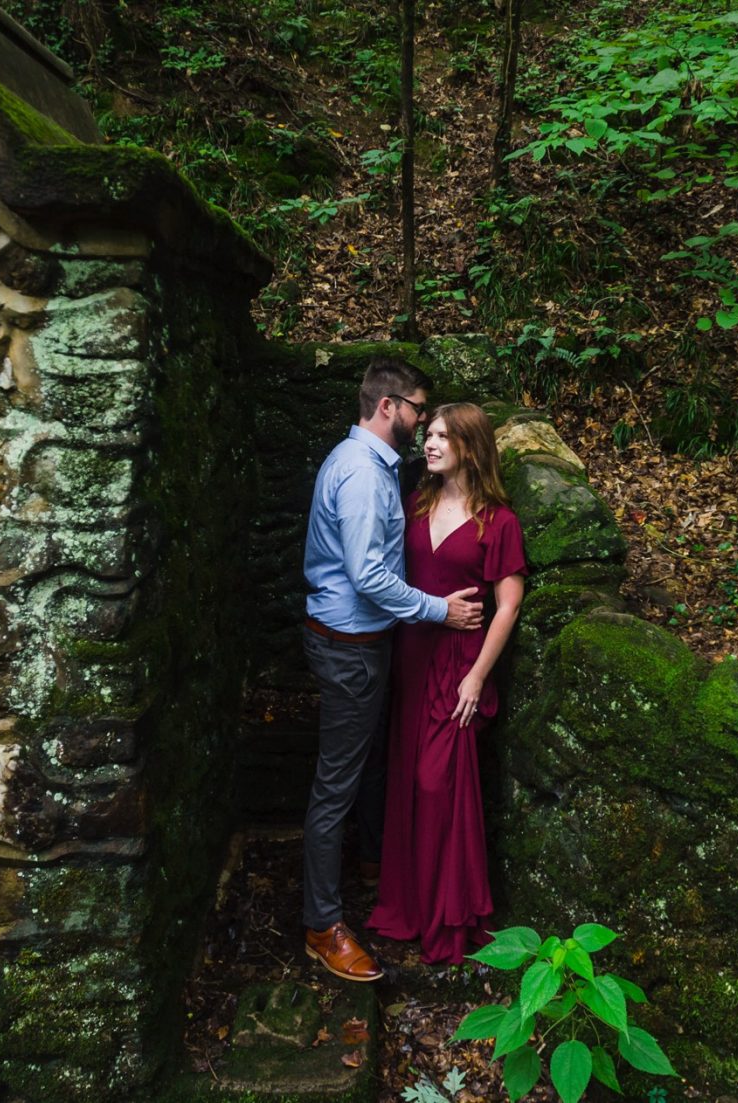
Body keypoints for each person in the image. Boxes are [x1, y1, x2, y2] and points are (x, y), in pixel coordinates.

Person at [301, 359, 483, 983]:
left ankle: (380, 868)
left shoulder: (381, 469)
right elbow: (367, 576)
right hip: (348, 649)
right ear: (389, 408)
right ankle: (322, 925)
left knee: (371, 763)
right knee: (337, 784)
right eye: (417, 410)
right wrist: (441, 610)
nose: (422, 421)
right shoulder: (360, 475)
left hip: (366, 645)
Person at [366, 402, 526, 964]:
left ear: (470, 446)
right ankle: (407, 909)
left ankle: (449, 917)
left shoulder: (498, 521)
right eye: (427, 433)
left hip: (459, 664)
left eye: (442, 436)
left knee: (442, 785)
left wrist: (477, 678)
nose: (429, 444)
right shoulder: (417, 504)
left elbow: (507, 606)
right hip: (412, 654)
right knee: (407, 780)